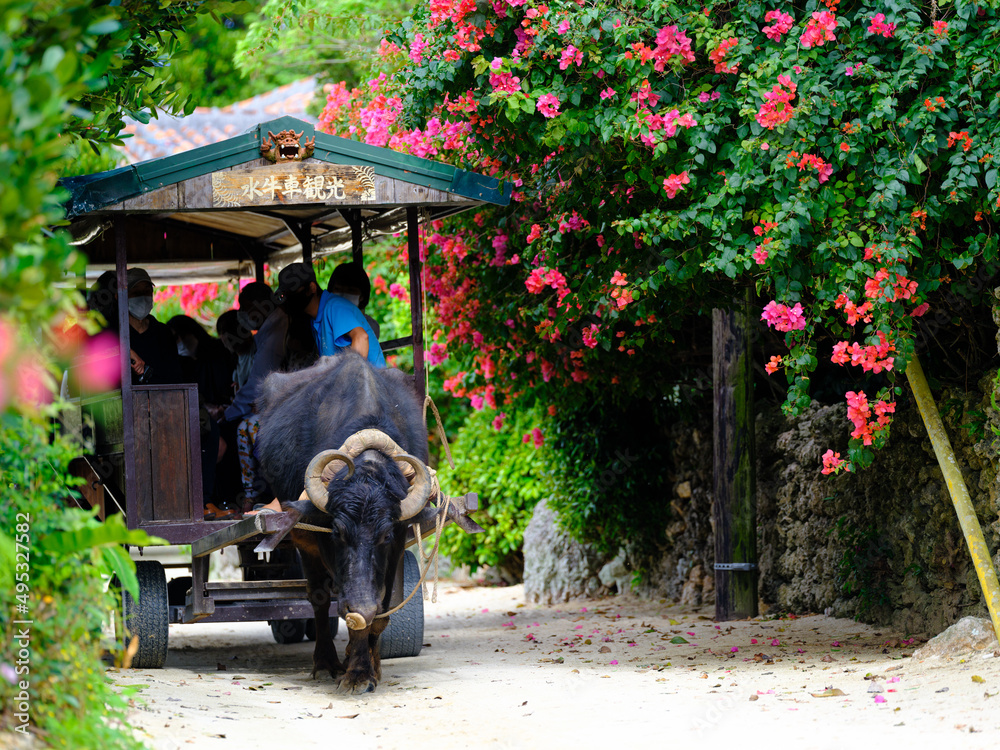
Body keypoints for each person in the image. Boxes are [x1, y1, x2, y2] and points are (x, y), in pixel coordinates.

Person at [275, 262, 385, 367]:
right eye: (286, 294)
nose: (289, 297)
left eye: (293, 292)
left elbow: (361, 337)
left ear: (312, 287)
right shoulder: (317, 319)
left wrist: (350, 380)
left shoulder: (335, 306)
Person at [326, 261, 381, 338]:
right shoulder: (322, 321)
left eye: (350, 290)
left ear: (362, 296)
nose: (343, 295)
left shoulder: (370, 326)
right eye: (338, 289)